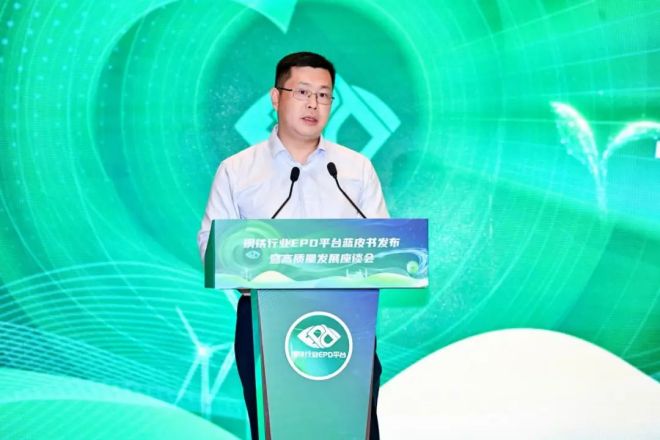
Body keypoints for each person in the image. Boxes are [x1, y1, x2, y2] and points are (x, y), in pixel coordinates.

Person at [197, 51, 388, 439]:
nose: (313, 104)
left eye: (324, 95)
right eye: (302, 92)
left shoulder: (354, 169)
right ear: (276, 97)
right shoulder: (238, 170)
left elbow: (384, 247)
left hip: (343, 322)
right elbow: (210, 244)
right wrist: (247, 268)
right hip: (263, 322)